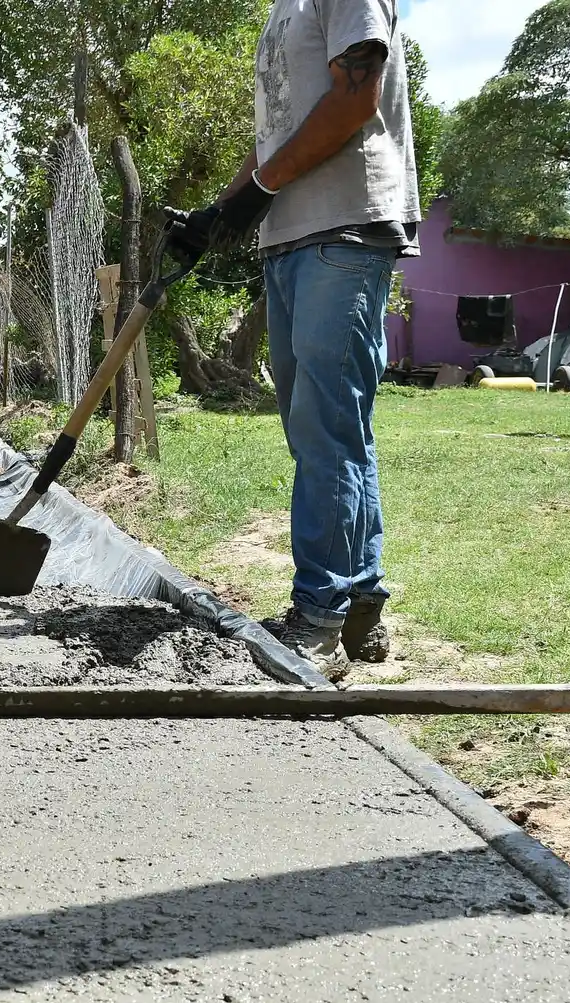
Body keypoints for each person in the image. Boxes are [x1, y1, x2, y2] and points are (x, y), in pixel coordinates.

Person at [167, 0, 420, 667]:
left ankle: (319, 615)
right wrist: (220, 211)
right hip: (288, 238)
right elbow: (278, 138)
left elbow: (356, 97)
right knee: (325, 428)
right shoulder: (285, 10)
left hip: (345, 228)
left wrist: (259, 188)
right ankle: (359, 602)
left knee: (324, 428)